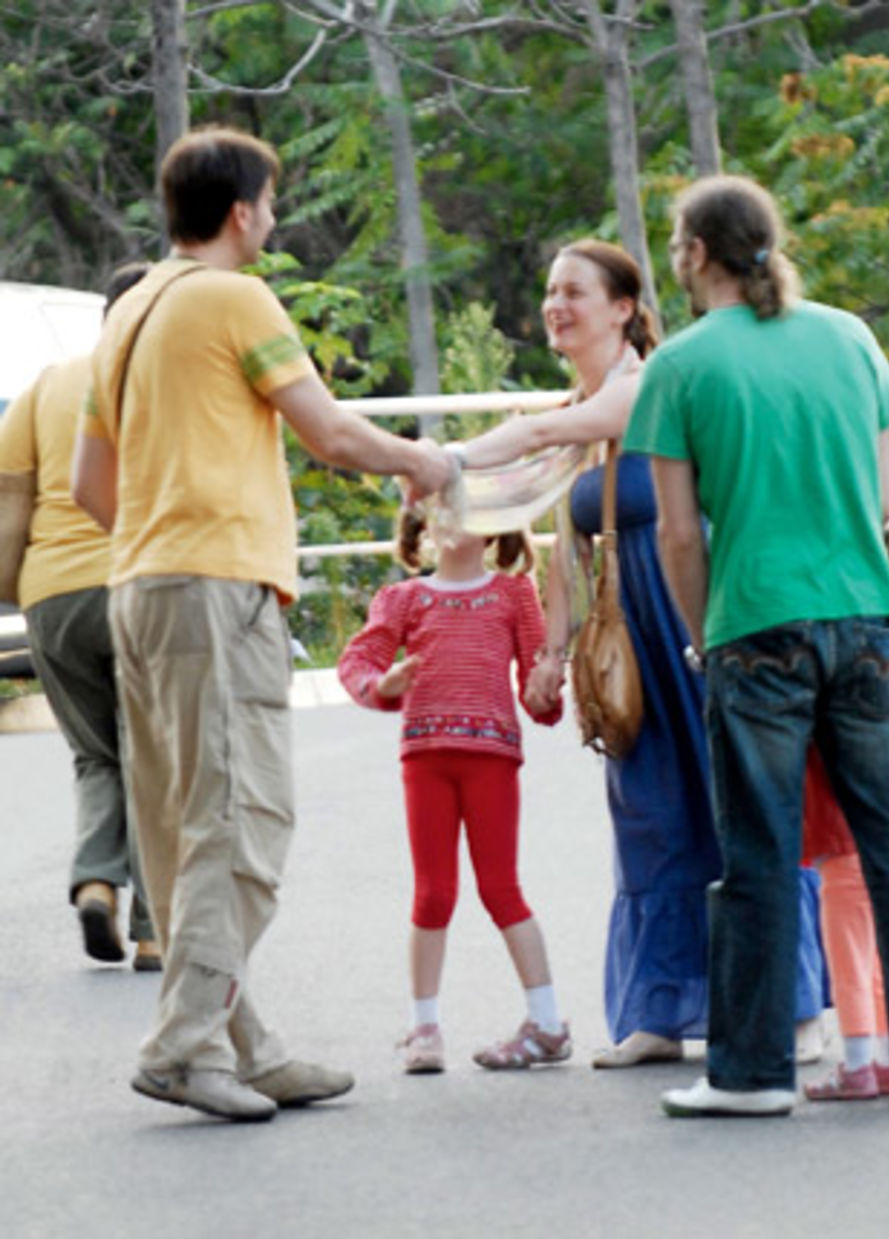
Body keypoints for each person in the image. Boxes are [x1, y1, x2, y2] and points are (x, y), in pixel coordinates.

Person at [72, 126, 452, 1123]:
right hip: (212, 588)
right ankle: (185, 1045)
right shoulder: (233, 296)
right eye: (271, 204)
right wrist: (422, 463)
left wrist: (161, 542)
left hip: (140, 587)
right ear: (242, 211)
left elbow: (87, 484)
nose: (273, 220)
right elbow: (326, 433)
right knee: (245, 820)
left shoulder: (131, 311)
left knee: (181, 825)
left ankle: (245, 1042)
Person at [623, 173, 889, 1117]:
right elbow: (883, 498)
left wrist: (703, 640)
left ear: (693, 254)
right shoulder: (849, 337)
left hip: (753, 626)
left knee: (760, 855)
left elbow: (679, 535)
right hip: (866, 615)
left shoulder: (680, 367)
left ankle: (753, 1072)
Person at [451, 239, 826, 1068]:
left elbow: (551, 434)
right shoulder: (577, 410)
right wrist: (549, 653)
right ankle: (660, 1009)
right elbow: (564, 548)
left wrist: (445, 459)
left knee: (738, 807)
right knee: (652, 818)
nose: (556, 305)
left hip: (696, 616)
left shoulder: (649, 384)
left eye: (574, 291)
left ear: (623, 308)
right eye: (550, 290)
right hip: (629, 638)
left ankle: (794, 1007)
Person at [338, 510, 569, 1073]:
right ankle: (424, 1028)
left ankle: (548, 1021)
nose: (450, 519)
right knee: (433, 894)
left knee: (501, 889)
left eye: (466, 509)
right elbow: (357, 662)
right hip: (425, 759)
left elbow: (539, 693)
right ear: (422, 526)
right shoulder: (403, 598)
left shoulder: (514, 594)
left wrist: (546, 689)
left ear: (493, 527)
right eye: (441, 508)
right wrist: (383, 685)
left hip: (492, 761)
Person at [0, 262, 159, 970]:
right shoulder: (167, 386)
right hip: (142, 588)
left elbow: (10, 505)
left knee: (97, 754)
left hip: (53, 595)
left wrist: (19, 594)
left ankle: (98, 881)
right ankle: (156, 931)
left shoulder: (46, 385)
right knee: (157, 760)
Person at [802, 751, 889, 1101]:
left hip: (838, 849)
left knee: (848, 964)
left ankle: (858, 1064)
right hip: (874, 842)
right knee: (874, 962)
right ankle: (885, 1059)